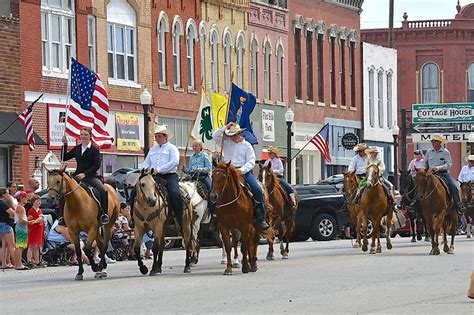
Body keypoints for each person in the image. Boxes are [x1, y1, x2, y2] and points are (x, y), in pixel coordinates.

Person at [212, 122, 270, 229]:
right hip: (227, 171)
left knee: (257, 189)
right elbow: (214, 136)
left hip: (242, 172)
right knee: (215, 189)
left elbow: (251, 161)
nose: (232, 137)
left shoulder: (247, 146)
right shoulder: (227, 142)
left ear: (239, 133)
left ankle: (261, 217)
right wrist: (226, 127)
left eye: (234, 135)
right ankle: (214, 216)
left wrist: (241, 170)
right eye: (230, 135)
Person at [62, 127, 109, 224]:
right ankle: (61, 216)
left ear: (90, 136)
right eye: (82, 134)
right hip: (77, 176)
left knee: (102, 191)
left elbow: (96, 165)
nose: (83, 136)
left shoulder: (94, 149)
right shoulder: (77, 148)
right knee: (64, 191)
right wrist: (65, 144)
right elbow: (64, 157)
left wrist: (85, 174)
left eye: (85, 135)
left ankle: (103, 214)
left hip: (90, 176)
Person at [142, 125, 184, 232]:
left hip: (169, 175)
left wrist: (159, 169)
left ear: (165, 136)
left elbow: (174, 162)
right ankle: (135, 217)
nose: (157, 138)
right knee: (137, 190)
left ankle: (180, 219)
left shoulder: (172, 148)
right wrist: (146, 169)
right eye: (156, 136)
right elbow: (146, 162)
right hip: (153, 176)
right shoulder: (152, 149)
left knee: (175, 193)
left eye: (159, 136)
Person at [423, 134, 464, 215]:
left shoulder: (445, 152)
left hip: (443, 174)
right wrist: (424, 170)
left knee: (453, 186)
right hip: (430, 174)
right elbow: (425, 164)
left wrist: (438, 168)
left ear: (439, 142)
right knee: (419, 186)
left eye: (435, 141)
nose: (433, 143)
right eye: (432, 141)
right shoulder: (428, 151)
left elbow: (448, 164)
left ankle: (458, 205)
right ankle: (416, 207)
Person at [183, 139, 214, 216]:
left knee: (211, 189)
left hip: (203, 176)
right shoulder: (191, 157)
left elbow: (209, 168)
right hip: (193, 176)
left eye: (196, 146)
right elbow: (190, 169)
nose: (194, 147)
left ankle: (211, 209)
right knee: (181, 185)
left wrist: (202, 169)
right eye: (193, 146)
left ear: (200, 147)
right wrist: (184, 170)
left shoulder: (204, 155)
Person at [263, 146, 297, 213]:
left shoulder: (278, 161)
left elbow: (281, 170)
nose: (269, 154)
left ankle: (293, 202)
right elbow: (264, 169)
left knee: (288, 186)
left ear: (274, 154)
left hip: (278, 178)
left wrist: (272, 171)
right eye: (269, 153)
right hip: (269, 178)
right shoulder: (267, 161)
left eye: (270, 153)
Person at [0, 188, 16, 269]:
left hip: (1, 224)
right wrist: (12, 214)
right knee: (11, 244)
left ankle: (4, 263)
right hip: (6, 225)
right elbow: (13, 212)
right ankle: (17, 263)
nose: (8, 195)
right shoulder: (2, 203)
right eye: (7, 193)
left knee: (4, 245)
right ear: (3, 194)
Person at [27, 195, 45, 267]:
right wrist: (35, 221)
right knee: (31, 245)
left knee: (37, 246)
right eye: (37, 201)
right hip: (33, 230)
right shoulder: (31, 210)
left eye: (39, 201)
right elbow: (30, 219)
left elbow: (41, 219)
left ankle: (37, 261)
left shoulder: (39, 210)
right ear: (33, 202)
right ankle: (29, 260)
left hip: (39, 230)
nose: (39, 202)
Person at [14, 191, 29, 270]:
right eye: (24, 197)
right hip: (21, 227)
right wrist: (30, 222)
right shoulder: (21, 207)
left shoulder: (19, 206)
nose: (26, 198)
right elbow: (21, 220)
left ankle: (17, 263)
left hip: (20, 227)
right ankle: (19, 264)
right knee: (20, 246)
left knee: (20, 246)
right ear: (21, 198)